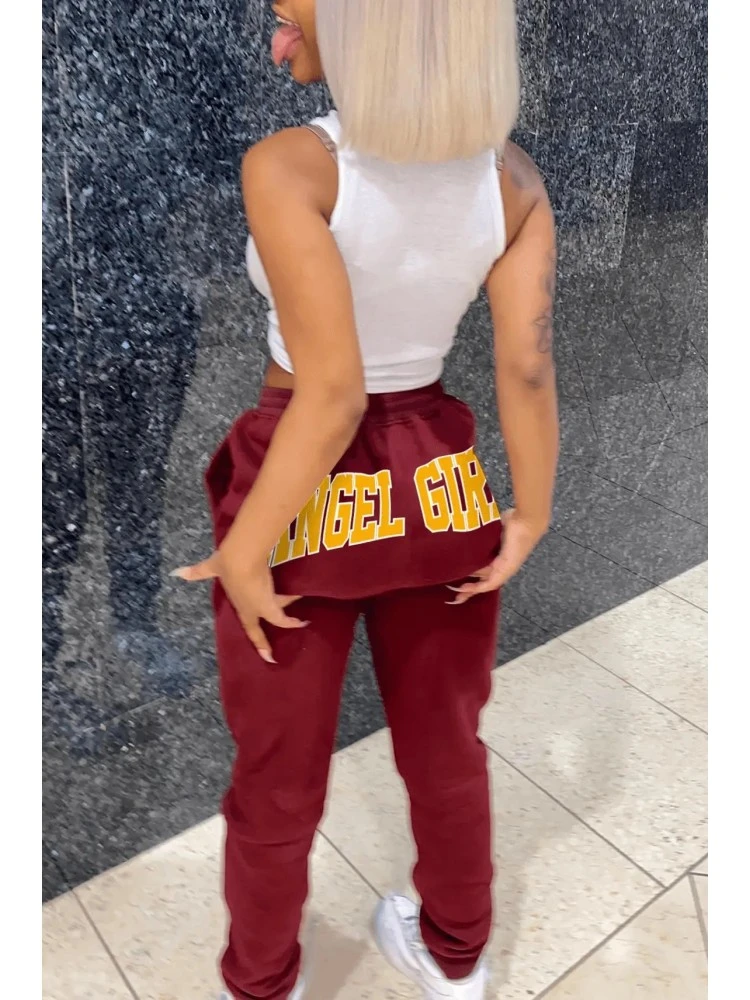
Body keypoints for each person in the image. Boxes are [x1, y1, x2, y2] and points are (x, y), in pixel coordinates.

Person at [174, 1, 559, 997]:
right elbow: (525, 365)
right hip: (439, 485)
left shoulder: (291, 166)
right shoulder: (513, 178)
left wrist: (245, 551)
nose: (275, 19)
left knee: (279, 773)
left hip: (299, 486)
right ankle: (456, 955)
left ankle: (263, 978)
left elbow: (334, 391)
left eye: (293, 1)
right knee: (446, 746)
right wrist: (532, 511)